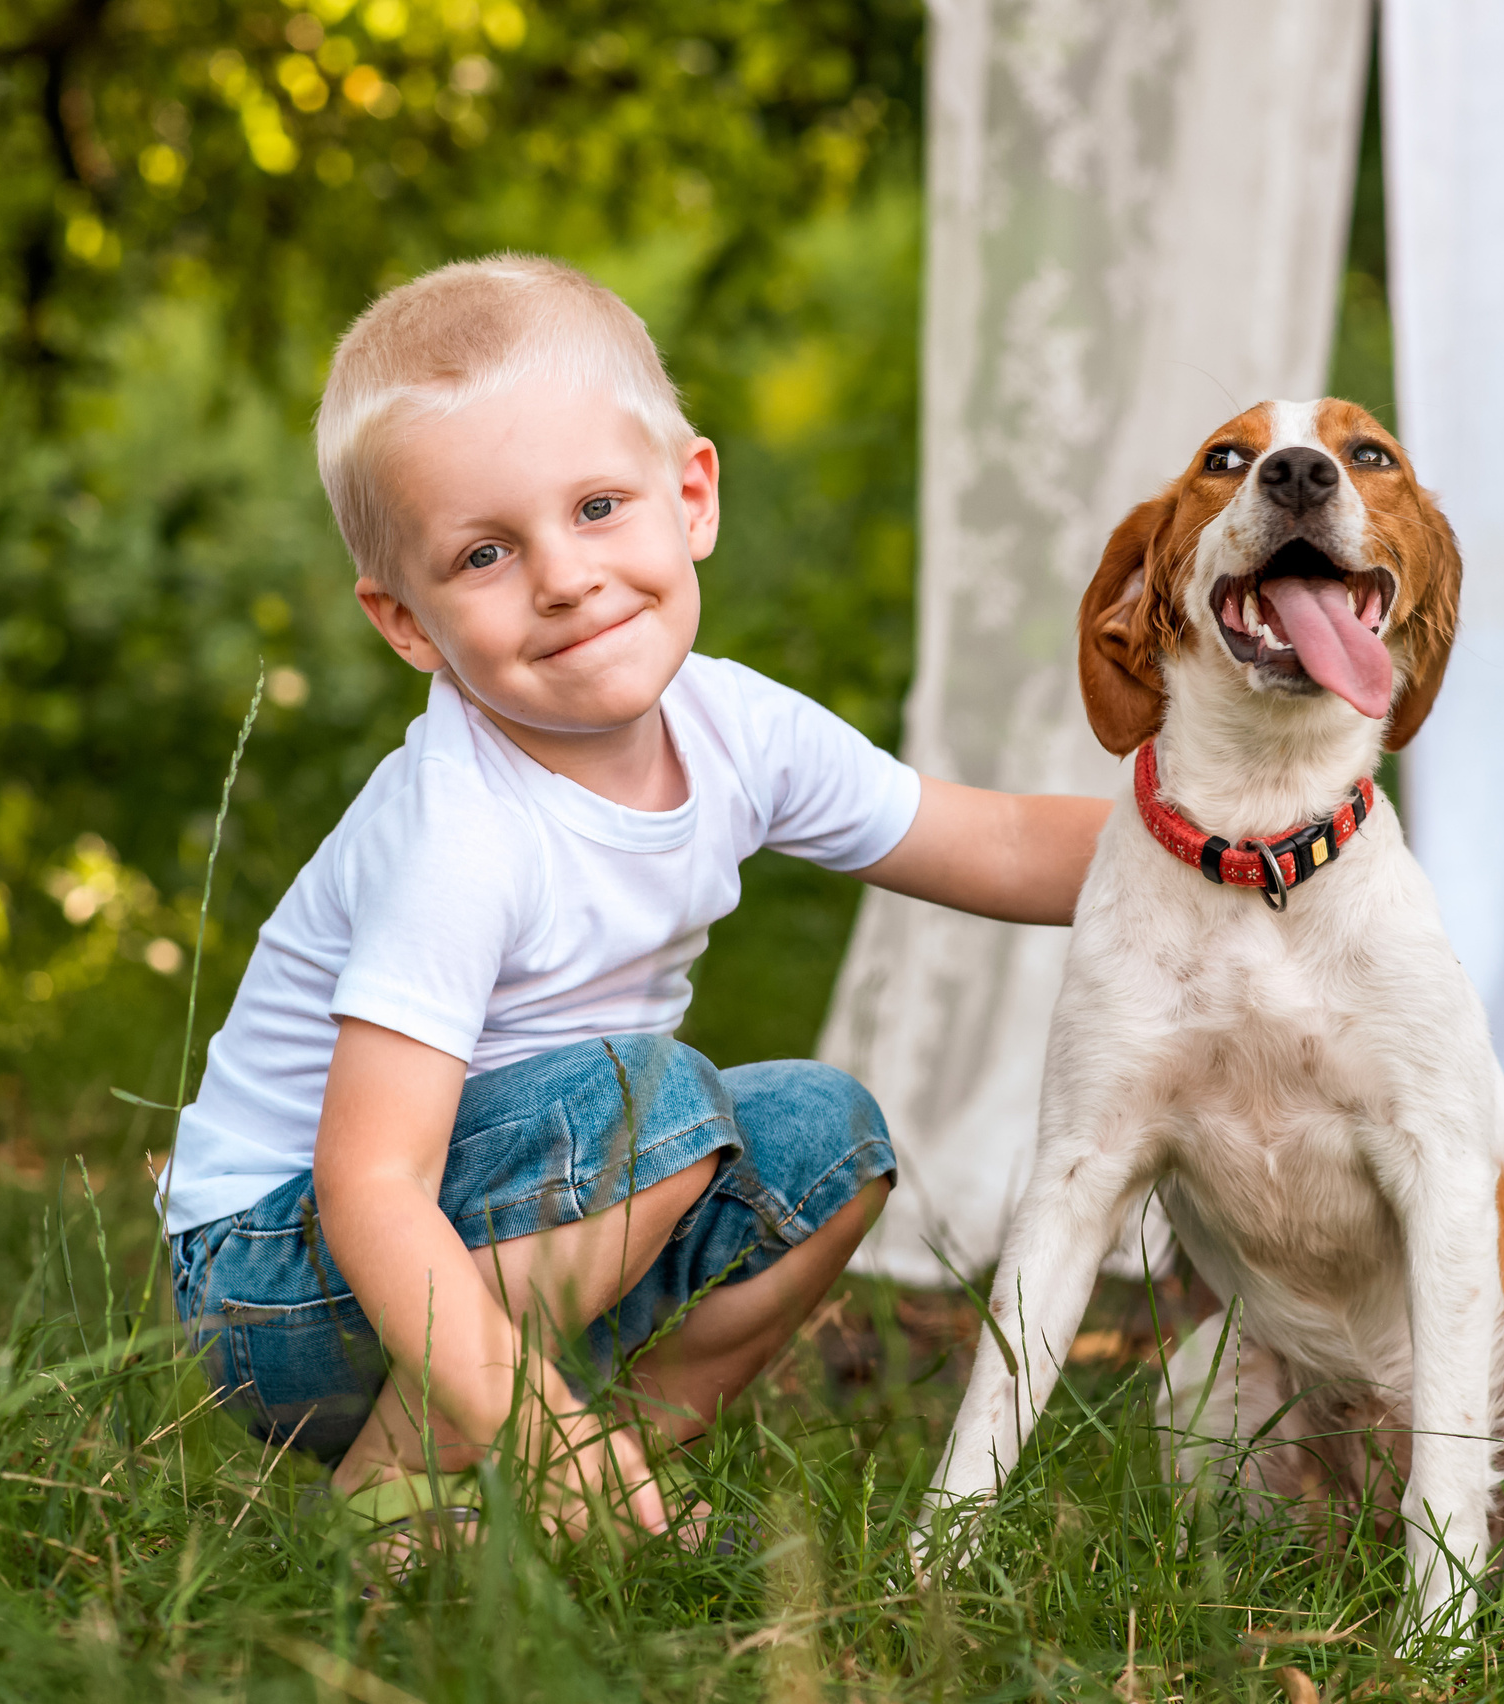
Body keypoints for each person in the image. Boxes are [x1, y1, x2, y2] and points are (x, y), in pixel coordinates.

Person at [159, 253, 1107, 1554]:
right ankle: (388, 1500)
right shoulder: (461, 830)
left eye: (599, 506)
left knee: (827, 1138)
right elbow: (369, 1183)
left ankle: (603, 1497)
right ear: (408, 623)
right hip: (281, 1284)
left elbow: (992, 841)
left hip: (524, 1220)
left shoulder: (735, 727)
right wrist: (529, 1420)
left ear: (692, 496)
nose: (563, 576)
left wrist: (1229, 840)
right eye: (485, 553)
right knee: (651, 1103)